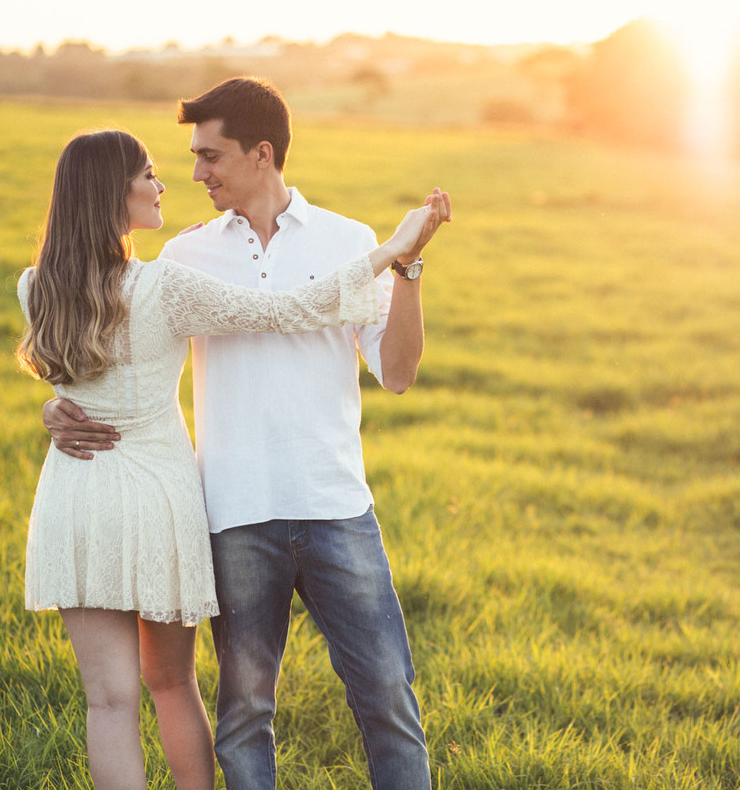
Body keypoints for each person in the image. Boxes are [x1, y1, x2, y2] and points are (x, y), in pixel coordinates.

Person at [43, 78, 446, 790]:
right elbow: (113, 356)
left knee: (388, 698)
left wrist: (407, 265)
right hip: (233, 513)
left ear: (262, 153)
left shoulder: (350, 241)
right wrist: (57, 408)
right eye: (192, 158)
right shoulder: (183, 257)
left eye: (210, 156)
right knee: (243, 716)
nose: (197, 173)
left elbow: (399, 373)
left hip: (336, 506)